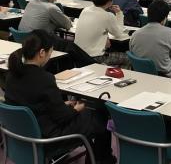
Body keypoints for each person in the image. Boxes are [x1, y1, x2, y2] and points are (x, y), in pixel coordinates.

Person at [5, 30, 115, 164]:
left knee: (86, 114)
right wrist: (76, 109)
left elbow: (37, 105)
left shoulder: (11, 75)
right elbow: (63, 117)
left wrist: (64, 106)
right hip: (48, 138)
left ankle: (98, 158)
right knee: (99, 113)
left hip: (20, 134)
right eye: (50, 53)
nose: (49, 58)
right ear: (41, 53)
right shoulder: (45, 79)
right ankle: (102, 159)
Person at [18, 0, 94, 67]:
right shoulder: (51, 8)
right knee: (70, 46)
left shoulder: (31, 2)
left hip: (24, 38)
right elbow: (67, 25)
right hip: (39, 41)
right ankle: (92, 64)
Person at [130, 0, 171, 79]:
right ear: (165, 18)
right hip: (165, 77)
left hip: (140, 75)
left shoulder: (135, 34)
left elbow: (133, 54)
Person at [74, 0, 128, 66]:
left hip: (78, 55)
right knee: (128, 58)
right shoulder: (108, 16)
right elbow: (118, 34)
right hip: (95, 58)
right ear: (109, 2)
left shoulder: (85, 10)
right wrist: (119, 13)